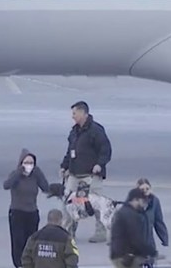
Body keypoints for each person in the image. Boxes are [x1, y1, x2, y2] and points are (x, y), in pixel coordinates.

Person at [59, 101, 113, 243]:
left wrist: (99, 165)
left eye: (74, 113)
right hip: (74, 174)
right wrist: (64, 166)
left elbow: (105, 150)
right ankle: (69, 231)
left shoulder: (96, 130)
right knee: (69, 203)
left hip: (91, 175)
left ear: (83, 113)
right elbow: (69, 151)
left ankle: (100, 232)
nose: (73, 116)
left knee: (95, 204)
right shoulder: (74, 132)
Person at [5, 149, 50, 268]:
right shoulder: (15, 175)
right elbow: (6, 185)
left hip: (32, 212)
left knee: (31, 241)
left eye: (31, 163)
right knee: (18, 240)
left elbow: (46, 188)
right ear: (21, 163)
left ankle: (30, 263)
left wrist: (39, 174)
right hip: (17, 212)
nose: (29, 165)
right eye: (26, 162)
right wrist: (19, 172)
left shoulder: (35, 175)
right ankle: (19, 264)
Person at [110, 188, 158, 268]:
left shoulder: (125, 211)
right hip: (125, 257)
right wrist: (151, 251)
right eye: (143, 201)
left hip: (121, 254)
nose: (144, 205)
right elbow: (136, 238)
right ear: (136, 200)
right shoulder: (130, 215)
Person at [137, 178, 169, 266]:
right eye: (142, 189)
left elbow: (158, 221)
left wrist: (164, 238)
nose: (145, 191)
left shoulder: (155, 201)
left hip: (149, 241)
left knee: (150, 263)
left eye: (147, 189)